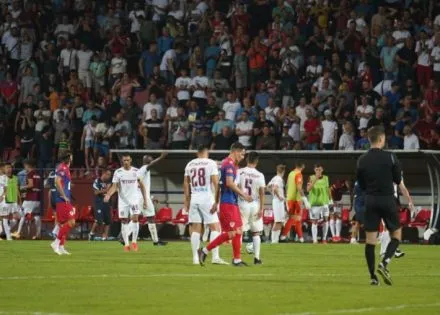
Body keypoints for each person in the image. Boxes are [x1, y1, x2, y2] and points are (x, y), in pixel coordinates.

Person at [356, 126, 413, 286]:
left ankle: (373, 277)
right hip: (387, 200)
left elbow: (361, 183)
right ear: (382, 139)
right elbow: (397, 180)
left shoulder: (362, 159)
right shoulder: (391, 157)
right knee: (396, 235)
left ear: (369, 140)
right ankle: (385, 262)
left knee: (370, 241)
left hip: (371, 200)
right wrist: (408, 198)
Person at [198, 142, 252, 266]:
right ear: (235, 151)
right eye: (242, 154)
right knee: (232, 233)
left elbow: (219, 186)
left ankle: (237, 259)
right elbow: (229, 183)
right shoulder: (228, 164)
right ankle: (205, 250)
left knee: (239, 230)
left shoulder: (230, 164)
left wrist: (216, 201)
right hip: (228, 203)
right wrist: (244, 195)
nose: (243, 157)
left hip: (231, 202)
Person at [184, 145, 227, 265]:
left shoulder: (190, 164)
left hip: (194, 199)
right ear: (206, 153)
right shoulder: (210, 163)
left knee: (196, 229)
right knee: (215, 228)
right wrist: (216, 201)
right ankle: (215, 257)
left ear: (197, 153)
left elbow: (186, 183)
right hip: (207, 198)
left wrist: (186, 201)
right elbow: (216, 183)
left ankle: (195, 259)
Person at [104, 154, 147, 252]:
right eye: (124, 160)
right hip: (123, 201)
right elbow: (115, 186)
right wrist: (108, 195)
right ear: (122, 161)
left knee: (135, 218)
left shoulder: (136, 171)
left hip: (134, 199)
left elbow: (142, 186)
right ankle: (126, 245)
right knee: (124, 221)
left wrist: (145, 200)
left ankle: (134, 242)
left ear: (130, 160)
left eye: (127, 160)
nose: (126, 162)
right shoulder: (118, 172)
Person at [237, 152, 266, 264]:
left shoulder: (240, 172)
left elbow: (236, 186)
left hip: (242, 204)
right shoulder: (260, 175)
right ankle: (257, 258)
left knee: (239, 232)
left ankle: (238, 257)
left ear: (247, 160)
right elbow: (262, 193)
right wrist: (261, 209)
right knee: (256, 233)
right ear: (257, 162)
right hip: (255, 205)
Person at [137, 152, 168, 246]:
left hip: (142, 197)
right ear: (146, 160)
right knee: (149, 218)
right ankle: (155, 241)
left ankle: (156, 240)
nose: (151, 159)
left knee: (140, 218)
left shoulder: (142, 171)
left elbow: (142, 187)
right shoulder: (144, 168)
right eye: (149, 158)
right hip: (143, 198)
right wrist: (161, 157)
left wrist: (151, 197)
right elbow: (151, 165)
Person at [380, 173, 414, 258]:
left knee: (392, 226)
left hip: (388, 200)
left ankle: (393, 249)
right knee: (388, 226)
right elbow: (403, 188)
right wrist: (410, 201)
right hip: (386, 199)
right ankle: (384, 251)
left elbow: (402, 188)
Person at [280, 162, 311, 243]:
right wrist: (305, 200)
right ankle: (283, 236)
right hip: (296, 199)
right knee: (293, 218)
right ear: (302, 167)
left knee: (297, 219)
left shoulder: (291, 173)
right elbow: (299, 188)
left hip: (289, 198)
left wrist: (287, 196)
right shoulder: (298, 174)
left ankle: (301, 238)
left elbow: (286, 186)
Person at [51, 152, 75, 255]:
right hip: (62, 199)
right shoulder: (62, 167)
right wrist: (64, 195)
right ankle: (55, 243)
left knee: (64, 224)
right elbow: (57, 181)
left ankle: (61, 246)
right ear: (69, 158)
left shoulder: (65, 168)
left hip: (65, 198)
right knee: (71, 222)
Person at [307, 164, 332, 244]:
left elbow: (328, 189)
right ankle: (315, 240)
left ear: (322, 170)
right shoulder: (311, 177)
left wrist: (331, 199)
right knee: (314, 221)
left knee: (326, 220)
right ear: (314, 170)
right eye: (317, 169)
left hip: (324, 203)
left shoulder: (326, 178)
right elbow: (308, 189)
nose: (318, 171)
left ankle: (324, 239)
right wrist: (316, 178)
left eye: (320, 169)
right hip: (315, 203)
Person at [18, 159, 42, 240]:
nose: (25, 167)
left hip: (30, 198)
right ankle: (38, 235)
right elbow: (37, 186)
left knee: (22, 215)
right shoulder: (38, 174)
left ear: (27, 165)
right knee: (37, 216)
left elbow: (31, 185)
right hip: (37, 198)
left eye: (25, 166)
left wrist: (22, 187)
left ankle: (18, 233)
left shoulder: (30, 174)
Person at [89, 169, 112, 241]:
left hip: (107, 203)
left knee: (108, 221)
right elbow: (96, 192)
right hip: (99, 203)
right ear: (104, 174)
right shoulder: (97, 181)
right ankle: (91, 233)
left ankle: (104, 237)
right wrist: (105, 190)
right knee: (99, 220)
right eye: (108, 174)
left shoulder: (110, 182)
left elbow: (112, 191)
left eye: (110, 175)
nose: (109, 176)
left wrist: (107, 190)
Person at [267, 164, 286, 244]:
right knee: (278, 221)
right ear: (283, 171)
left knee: (280, 221)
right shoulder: (279, 179)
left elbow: (267, 187)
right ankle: (274, 240)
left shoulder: (274, 178)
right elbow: (275, 188)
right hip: (278, 201)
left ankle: (275, 240)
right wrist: (279, 196)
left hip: (276, 201)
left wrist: (273, 194)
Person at [5, 163, 21, 237]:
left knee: (16, 219)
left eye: (10, 167)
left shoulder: (15, 178)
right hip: (4, 201)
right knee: (4, 219)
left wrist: (19, 200)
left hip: (14, 201)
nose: (9, 169)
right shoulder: (2, 178)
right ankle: (7, 235)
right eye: (7, 168)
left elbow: (18, 190)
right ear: (4, 169)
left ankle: (5, 232)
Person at [0, 163, 10, 240]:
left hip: (3, 201)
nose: (4, 169)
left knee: (5, 218)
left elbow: (7, 189)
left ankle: (8, 236)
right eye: (3, 168)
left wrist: (2, 197)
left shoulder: (5, 178)